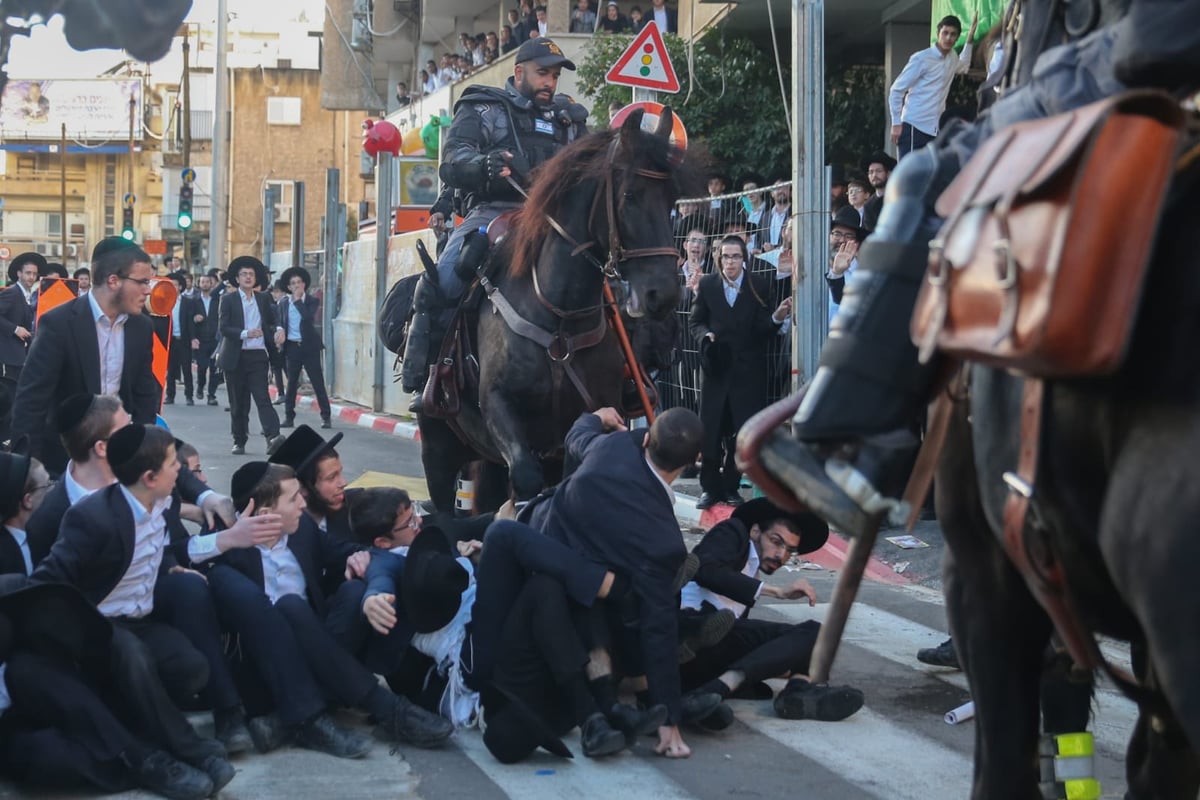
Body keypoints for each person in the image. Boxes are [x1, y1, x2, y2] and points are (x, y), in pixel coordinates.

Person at [753, 0, 1193, 539]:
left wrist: (1032, 90)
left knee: (924, 175)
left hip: (1145, 73)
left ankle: (847, 442)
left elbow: (1144, 39)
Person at [33, 424, 237, 793]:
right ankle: (187, 749)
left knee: (191, 668)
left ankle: (141, 722)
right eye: (175, 464)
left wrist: (167, 566)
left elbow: (151, 546)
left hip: (139, 621)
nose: (181, 471)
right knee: (133, 657)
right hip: (96, 628)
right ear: (149, 476)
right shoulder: (91, 518)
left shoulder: (162, 502)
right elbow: (49, 580)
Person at [202, 461, 454, 753]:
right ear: (266, 514)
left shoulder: (300, 529)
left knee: (353, 590)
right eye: (293, 498)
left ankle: (286, 720)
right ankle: (389, 710)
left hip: (317, 649)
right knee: (291, 606)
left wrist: (358, 557)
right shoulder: (226, 550)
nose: (303, 502)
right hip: (267, 670)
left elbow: (342, 550)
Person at [400, 37, 588, 402]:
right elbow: (453, 158)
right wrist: (480, 165)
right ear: (519, 72)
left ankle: (631, 372)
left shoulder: (570, 118)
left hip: (557, 220)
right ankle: (428, 373)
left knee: (613, 279)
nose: (550, 82)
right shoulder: (487, 108)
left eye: (554, 76)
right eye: (542, 73)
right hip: (494, 213)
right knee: (449, 277)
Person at [531, 406, 710, 758]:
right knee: (637, 604)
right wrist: (669, 718)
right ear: (696, 460)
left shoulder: (610, 447)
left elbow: (576, 435)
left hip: (542, 538)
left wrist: (597, 416)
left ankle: (635, 696)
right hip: (559, 582)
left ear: (645, 438)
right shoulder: (663, 541)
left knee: (615, 593)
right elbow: (658, 628)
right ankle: (643, 696)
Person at [0, 576, 216, 799]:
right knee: (51, 752)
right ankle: (143, 761)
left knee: (26, 668)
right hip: (12, 726)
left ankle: (145, 757)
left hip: (49, 683)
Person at [679, 498, 865, 722]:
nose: (781, 556)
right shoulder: (734, 532)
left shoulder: (752, 568)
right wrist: (777, 591)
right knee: (809, 634)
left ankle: (798, 690)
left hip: (714, 654)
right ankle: (716, 690)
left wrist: (781, 660)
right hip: (688, 638)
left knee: (815, 639)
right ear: (756, 531)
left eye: (790, 551)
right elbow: (705, 569)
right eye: (776, 542)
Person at [11, 238, 161, 475]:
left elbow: (144, 395)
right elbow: (31, 401)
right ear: (113, 281)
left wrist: (141, 452)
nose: (148, 289)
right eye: (142, 281)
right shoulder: (59, 324)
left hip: (119, 457)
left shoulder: (141, 327)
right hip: (64, 460)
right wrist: (27, 468)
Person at [689, 235, 791, 509]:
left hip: (748, 372)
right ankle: (709, 488)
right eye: (725, 256)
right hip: (715, 370)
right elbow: (695, 321)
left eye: (735, 256)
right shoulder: (709, 284)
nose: (730, 262)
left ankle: (731, 485)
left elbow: (762, 330)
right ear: (718, 258)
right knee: (710, 432)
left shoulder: (758, 285)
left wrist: (776, 318)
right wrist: (705, 336)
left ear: (744, 258)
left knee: (741, 433)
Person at [217, 256, 285, 456]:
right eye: (244, 274)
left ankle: (273, 437)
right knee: (238, 403)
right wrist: (246, 333)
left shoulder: (263, 298)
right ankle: (239, 440)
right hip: (236, 357)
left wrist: (279, 329)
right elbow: (224, 328)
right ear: (237, 279)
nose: (248, 278)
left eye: (251, 274)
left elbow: (273, 319)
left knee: (263, 398)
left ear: (256, 279)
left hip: (258, 356)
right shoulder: (228, 299)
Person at [888, 13, 978, 158]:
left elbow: (964, 66)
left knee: (930, 177)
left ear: (957, 37)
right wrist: (896, 123)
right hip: (913, 126)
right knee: (911, 176)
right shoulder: (921, 58)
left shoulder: (952, 57)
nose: (948, 38)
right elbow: (896, 90)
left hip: (935, 130)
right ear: (938, 33)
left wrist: (969, 40)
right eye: (945, 33)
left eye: (953, 34)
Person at [275, 266, 332, 429]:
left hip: (309, 347)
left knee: (317, 381)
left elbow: (308, 318)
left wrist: (299, 301)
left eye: (299, 282)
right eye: (293, 283)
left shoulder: (312, 300)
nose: (296, 286)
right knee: (292, 383)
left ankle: (326, 416)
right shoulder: (284, 302)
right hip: (292, 347)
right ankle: (289, 416)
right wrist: (279, 331)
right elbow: (279, 321)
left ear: (304, 284)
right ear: (288, 286)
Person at [0, 452, 51, 576]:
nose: (52, 489)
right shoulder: (6, 562)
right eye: (47, 485)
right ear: (28, 500)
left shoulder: (43, 533)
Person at [0, 252, 45, 389]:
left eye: (34, 274)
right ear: (19, 274)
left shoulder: (27, 295)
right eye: (28, 273)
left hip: (20, 355)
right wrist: (15, 329)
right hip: (8, 357)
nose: (31, 277)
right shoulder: (12, 293)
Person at [191, 269, 222, 405]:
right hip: (201, 339)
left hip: (215, 339)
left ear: (212, 284)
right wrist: (194, 319)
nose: (205, 284)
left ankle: (211, 395)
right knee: (202, 367)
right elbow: (188, 320)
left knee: (215, 368)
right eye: (202, 282)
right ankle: (200, 386)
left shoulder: (218, 300)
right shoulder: (193, 300)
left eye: (207, 282)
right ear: (199, 284)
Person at [165, 271, 195, 406]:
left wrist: (194, 338)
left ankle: (189, 396)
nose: (173, 287)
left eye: (175, 285)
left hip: (184, 340)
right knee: (170, 370)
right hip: (169, 341)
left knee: (187, 369)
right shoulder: (163, 302)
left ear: (180, 287)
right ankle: (170, 395)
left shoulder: (188, 302)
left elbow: (191, 322)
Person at [861, 150, 896, 232]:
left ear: (888, 173)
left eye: (879, 171)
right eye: (871, 172)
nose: (874, 175)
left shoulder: (898, 198)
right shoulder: (868, 205)